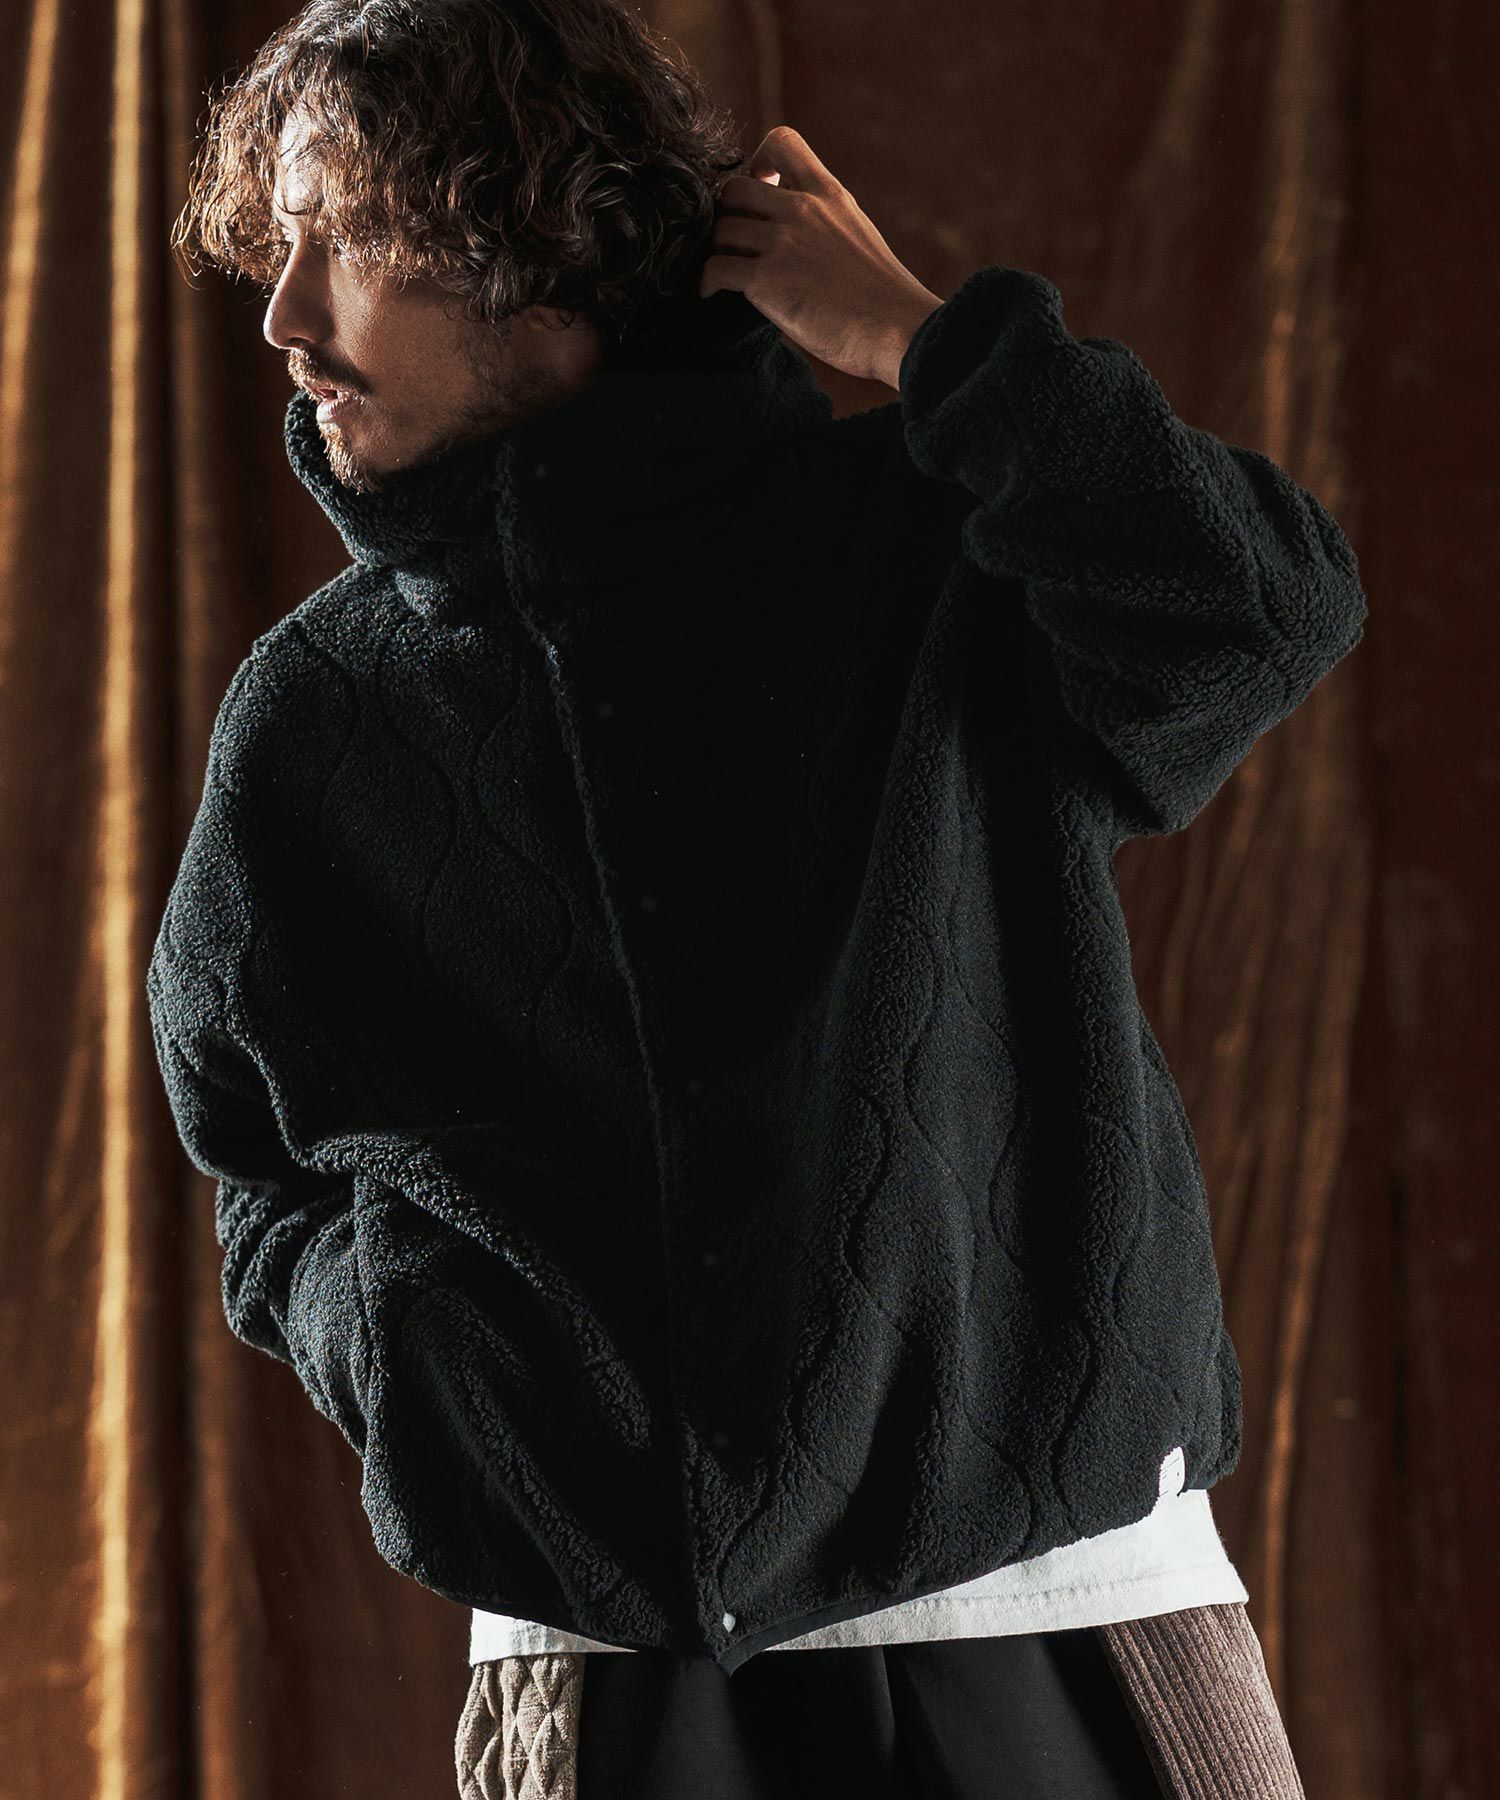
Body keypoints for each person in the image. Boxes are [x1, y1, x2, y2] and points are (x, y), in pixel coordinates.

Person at [149, 1, 1366, 1795]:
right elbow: (257, 1165)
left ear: (533, 242)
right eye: (283, 241)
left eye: (350, 239)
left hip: (1067, 1597)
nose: (284, 316)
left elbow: (1263, 614)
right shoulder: (314, 709)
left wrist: (934, 345)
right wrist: (427, 1364)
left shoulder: (927, 549)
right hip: (604, 1666)